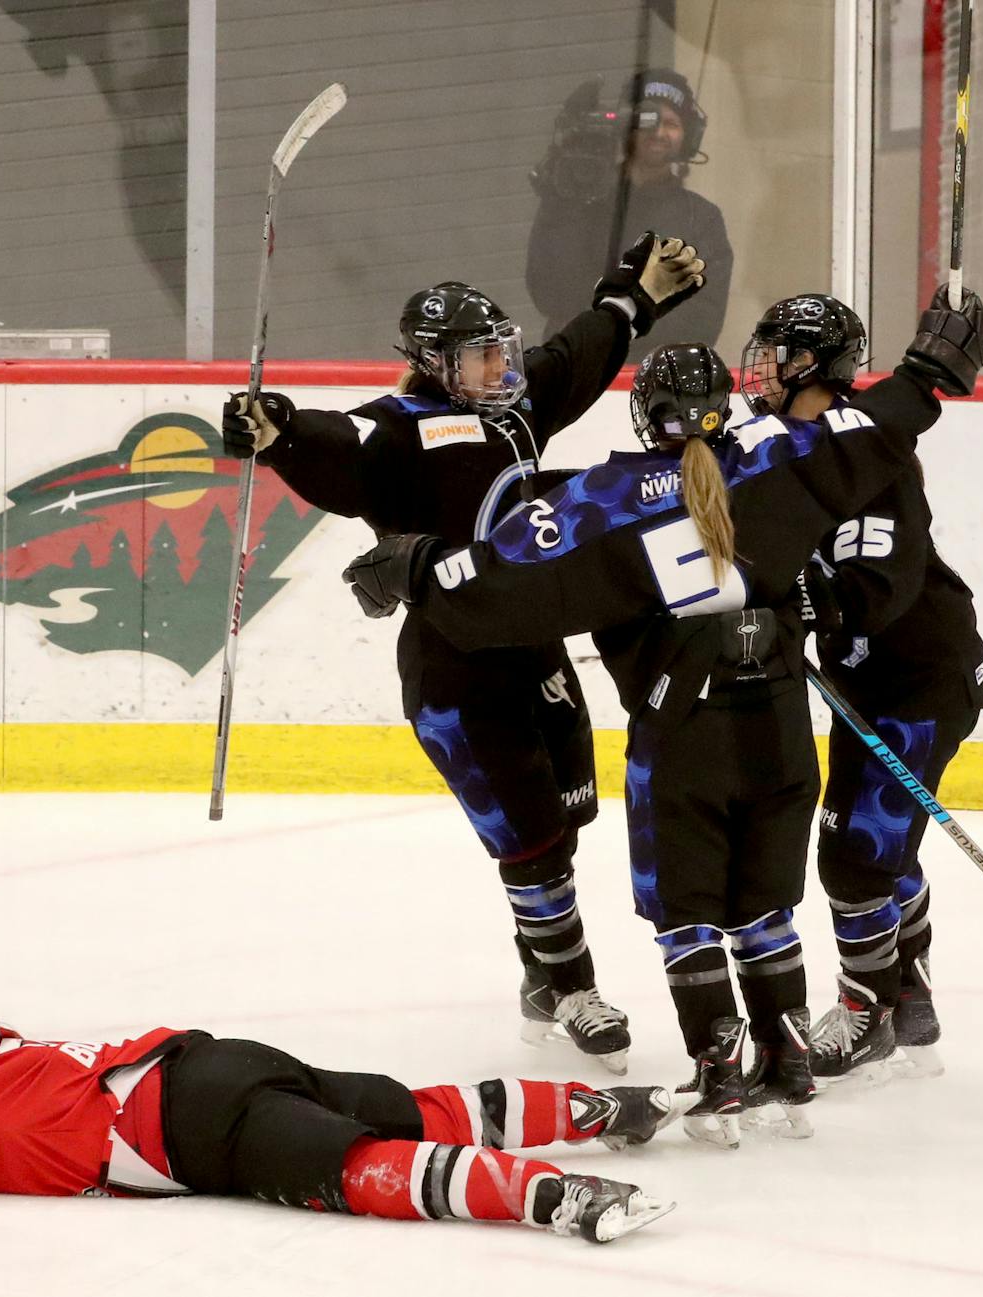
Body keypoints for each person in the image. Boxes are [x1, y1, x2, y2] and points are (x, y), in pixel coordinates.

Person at [340, 289, 983, 1144]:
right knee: (770, 905)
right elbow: (864, 435)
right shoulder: (773, 455)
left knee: (693, 910)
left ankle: (722, 1076)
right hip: (778, 735)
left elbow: (507, 582)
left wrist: (419, 567)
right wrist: (927, 375)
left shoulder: (606, 498)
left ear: (647, 419)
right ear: (722, 407)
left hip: (683, 738)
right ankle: (789, 1066)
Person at [220, 235, 706, 1071]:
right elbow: (334, 443)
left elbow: (573, 356)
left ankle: (541, 975)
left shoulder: (514, 411)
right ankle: (572, 984)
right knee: (529, 838)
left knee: (566, 818)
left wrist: (635, 299)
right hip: (453, 664)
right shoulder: (392, 430)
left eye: (500, 352)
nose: (501, 368)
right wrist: (275, 431)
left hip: (535, 646)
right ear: (437, 364)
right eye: (482, 357)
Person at [0, 976, 683, 1244]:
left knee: (357, 1168)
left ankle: (559, 1196)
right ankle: (603, 1105)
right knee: (415, 1107)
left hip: (183, 1129)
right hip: (209, 1061)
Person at [739, 292, 983, 1081]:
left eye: (779, 350)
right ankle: (907, 990)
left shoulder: (872, 458)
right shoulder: (797, 440)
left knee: (852, 859)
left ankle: (867, 1007)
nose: (765, 365)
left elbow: (881, 580)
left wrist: (808, 602)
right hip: (873, 675)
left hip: (919, 678)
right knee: (881, 842)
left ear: (810, 364)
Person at [526, 70, 733, 361]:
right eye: (647, 120)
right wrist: (564, 199)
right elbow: (549, 292)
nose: (659, 132)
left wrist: (612, 324)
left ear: (689, 135)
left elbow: (701, 322)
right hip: (576, 370)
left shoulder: (701, 219)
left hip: (659, 378)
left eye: (672, 123)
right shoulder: (579, 200)